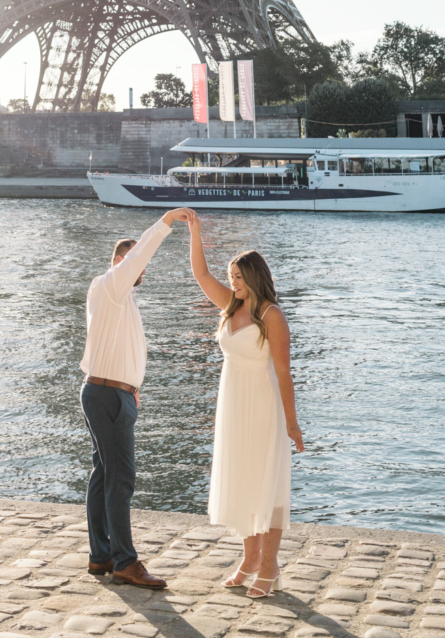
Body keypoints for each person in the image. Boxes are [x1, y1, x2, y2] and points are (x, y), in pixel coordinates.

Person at [187, 213, 304, 599]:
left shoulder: (272, 316)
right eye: (231, 277)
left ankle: (269, 565)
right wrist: (195, 232)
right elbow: (202, 276)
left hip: (263, 406)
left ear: (253, 277)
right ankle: (249, 558)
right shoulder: (230, 305)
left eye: (238, 277)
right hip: (233, 403)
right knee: (242, 480)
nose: (232, 283)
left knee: (266, 485)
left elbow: (284, 374)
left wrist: (292, 423)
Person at [80, 208, 194, 589]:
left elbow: (123, 349)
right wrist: (166, 222)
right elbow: (141, 253)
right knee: (121, 479)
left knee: (104, 474)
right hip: (108, 394)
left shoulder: (119, 299)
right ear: (118, 262)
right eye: (131, 262)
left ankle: (102, 555)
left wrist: (133, 389)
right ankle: (126, 561)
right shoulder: (110, 285)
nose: (139, 269)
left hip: (112, 392)